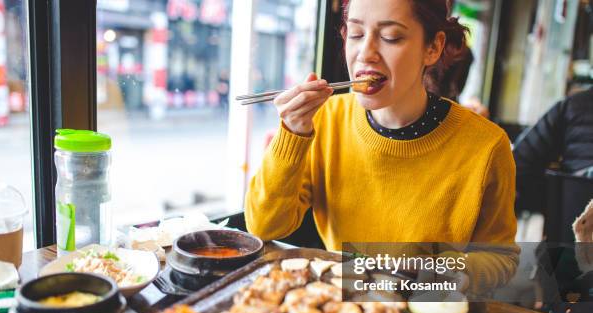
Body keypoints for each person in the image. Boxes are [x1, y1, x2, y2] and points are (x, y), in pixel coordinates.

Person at [245, 0, 519, 292]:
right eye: (356, 34)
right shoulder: (325, 119)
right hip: (340, 303)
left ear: (433, 47)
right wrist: (293, 132)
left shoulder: (486, 145)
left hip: (426, 309)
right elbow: (265, 226)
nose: (366, 54)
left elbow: (501, 259)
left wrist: (434, 271)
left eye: (391, 37)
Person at [513, 88, 593, 212]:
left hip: (573, 220)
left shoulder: (573, 106)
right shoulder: (571, 106)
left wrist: (555, 203)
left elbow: (517, 165)